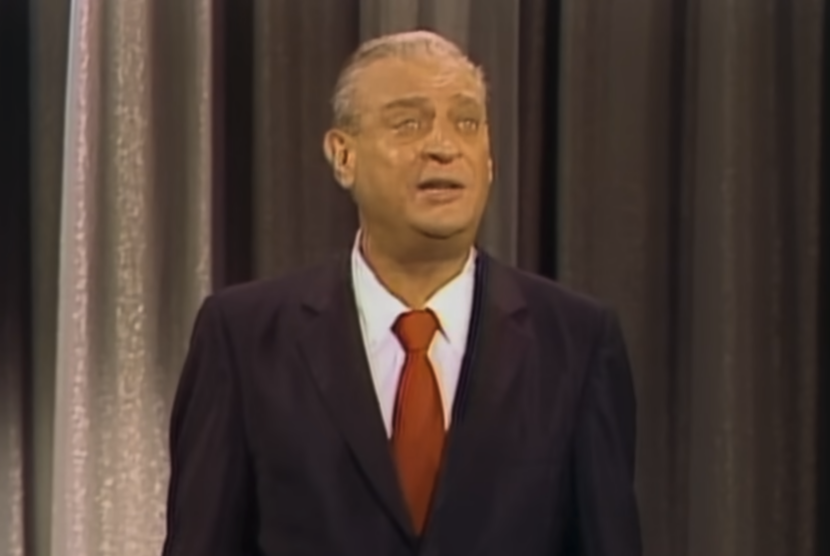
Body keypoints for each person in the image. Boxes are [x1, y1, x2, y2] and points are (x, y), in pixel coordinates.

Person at [161, 30, 641, 556]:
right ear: (343, 156)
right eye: (409, 123)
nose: (443, 146)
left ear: (490, 159)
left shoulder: (576, 342)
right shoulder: (244, 339)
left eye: (467, 123)